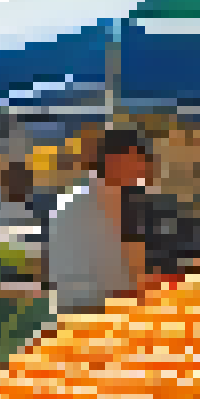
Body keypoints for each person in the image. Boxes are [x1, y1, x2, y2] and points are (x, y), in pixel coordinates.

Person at [47, 129, 156, 315]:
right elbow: (74, 281)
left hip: (111, 311)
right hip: (88, 314)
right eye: (138, 161)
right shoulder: (80, 203)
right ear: (114, 160)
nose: (142, 170)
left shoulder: (120, 197)